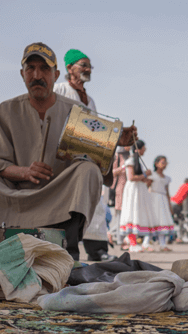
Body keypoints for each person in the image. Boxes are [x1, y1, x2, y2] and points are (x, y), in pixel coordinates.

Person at [0, 42, 136, 261]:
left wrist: (115, 142)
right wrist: (22, 172)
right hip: (8, 194)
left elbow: (98, 161)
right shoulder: (5, 111)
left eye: (44, 69)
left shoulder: (78, 112)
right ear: (22, 74)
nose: (37, 75)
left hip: (56, 197)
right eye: (30, 68)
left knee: (87, 170)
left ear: (56, 74)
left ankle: (66, 248)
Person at [53, 48, 115, 262]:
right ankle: (68, 251)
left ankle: (97, 250)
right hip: (64, 159)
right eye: (83, 65)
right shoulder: (58, 90)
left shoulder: (90, 100)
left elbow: (95, 129)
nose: (88, 69)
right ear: (69, 68)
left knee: (95, 203)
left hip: (87, 158)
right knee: (70, 204)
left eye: (89, 66)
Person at [119, 140, 157, 252]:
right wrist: (145, 174)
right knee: (132, 214)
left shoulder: (137, 161)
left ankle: (133, 242)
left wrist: (146, 179)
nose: (145, 150)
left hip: (139, 190)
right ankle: (132, 243)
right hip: (133, 191)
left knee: (138, 215)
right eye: (144, 148)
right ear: (138, 149)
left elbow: (138, 177)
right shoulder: (130, 160)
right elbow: (131, 177)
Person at [149, 155, 176, 251]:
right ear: (156, 164)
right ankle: (146, 243)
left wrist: (170, 205)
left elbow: (167, 192)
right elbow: (147, 187)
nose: (164, 164)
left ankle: (162, 244)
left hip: (163, 200)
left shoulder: (167, 178)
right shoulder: (151, 175)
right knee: (152, 221)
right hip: (153, 199)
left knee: (163, 222)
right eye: (162, 162)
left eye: (165, 162)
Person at [110, 146, 131, 249]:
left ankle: (112, 234)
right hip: (120, 189)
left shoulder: (130, 156)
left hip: (129, 190)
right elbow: (112, 172)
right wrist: (123, 167)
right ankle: (119, 239)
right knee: (119, 215)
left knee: (126, 215)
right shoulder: (117, 157)